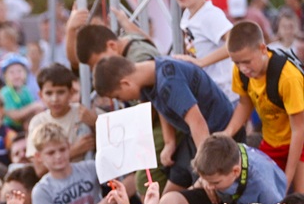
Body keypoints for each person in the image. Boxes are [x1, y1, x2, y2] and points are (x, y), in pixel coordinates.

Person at [93, 55, 234, 191]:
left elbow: (198, 123)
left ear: (125, 83)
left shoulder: (169, 81)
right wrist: (169, 141)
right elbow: (161, 104)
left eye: (118, 96)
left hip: (215, 138)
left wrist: (206, 173)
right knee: (166, 200)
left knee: (195, 192)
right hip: (193, 137)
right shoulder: (148, 74)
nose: (121, 99)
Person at [223, 21, 304, 192]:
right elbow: (245, 103)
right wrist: (227, 134)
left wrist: (286, 179)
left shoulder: (288, 77)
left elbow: (299, 130)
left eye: (246, 62)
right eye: (236, 63)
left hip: (299, 141)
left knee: (297, 199)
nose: (242, 68)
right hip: (272, 141)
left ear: (262, 49)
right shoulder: (241, 71)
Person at [172, 0, 237, 102]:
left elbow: (235, 42)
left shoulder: (210, 14)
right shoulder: (186, 15)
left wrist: (201, 62)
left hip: (224, 95)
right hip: (205, 92)